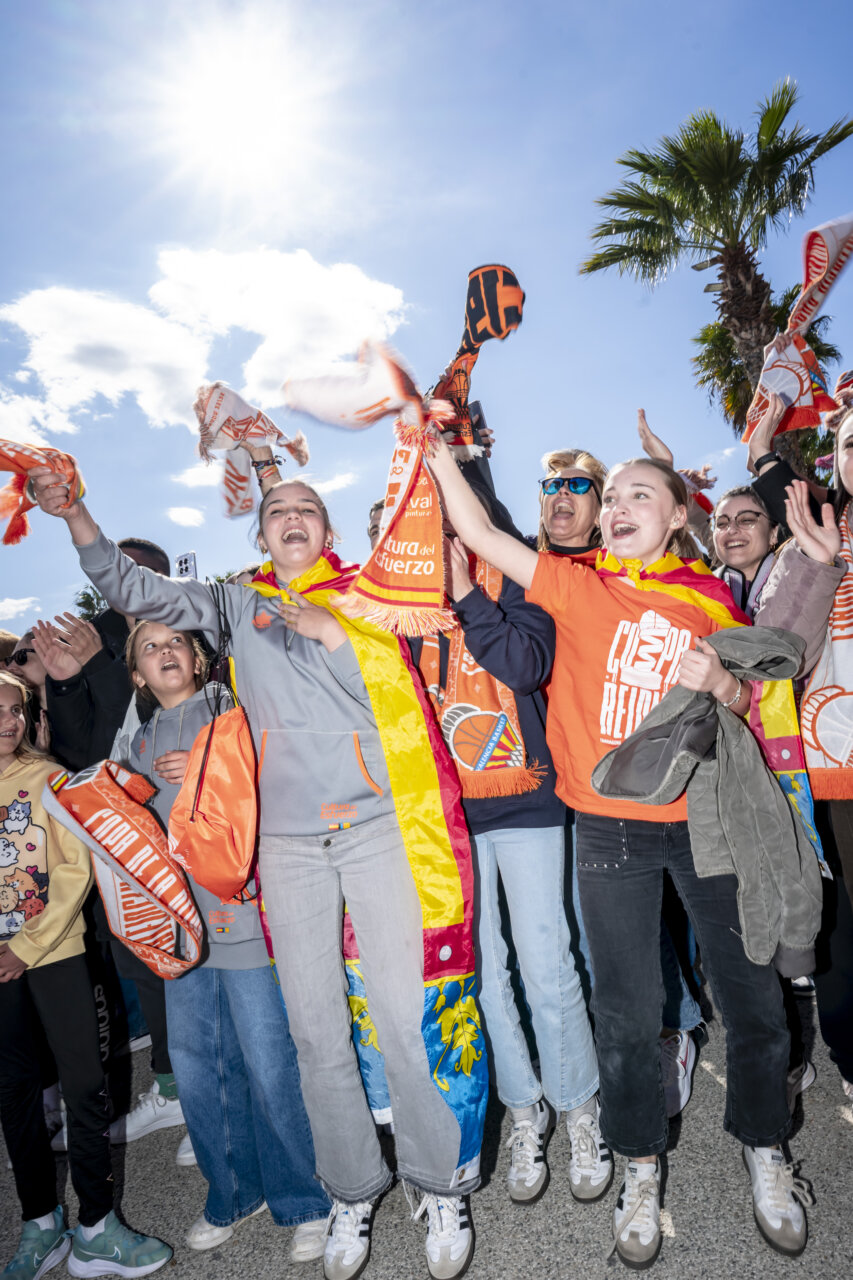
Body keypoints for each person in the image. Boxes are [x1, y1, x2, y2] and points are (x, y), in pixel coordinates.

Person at [29, 466, 488, 1280]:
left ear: (327, 528)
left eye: (306, 508)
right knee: (313, 1032)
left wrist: (333, 630)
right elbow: (135, 589)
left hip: (378, 828)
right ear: (260, 534)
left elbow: (395, 696)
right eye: (276, 511)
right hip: (285, 844)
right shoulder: (237, 604)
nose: (291, 517)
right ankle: (350, 1188)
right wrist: (78, 518)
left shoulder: (369, 594)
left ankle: (434, 1181)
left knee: (397, 1015)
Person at [428, 436, 831, 1268]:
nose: (616, 507)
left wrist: (726, 685)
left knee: (750, 995)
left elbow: (761, 682)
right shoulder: (573, 584)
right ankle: (638, 1168)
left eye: (639, 495)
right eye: (613, 496)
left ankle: (764, 1150)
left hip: (707, 819)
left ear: (677, 517)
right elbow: (480, 530)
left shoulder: (709, 594)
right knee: (623, 1012)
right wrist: (434, 458)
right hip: (608, 828)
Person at [413, 482, 607, 1207]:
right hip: (448, 812)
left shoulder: (515, 572)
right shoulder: (396, 608)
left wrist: (466, 594)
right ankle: (524, 1110)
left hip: (525, 795)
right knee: (482, 972)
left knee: (546, 957)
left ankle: (578, 1105)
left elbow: (525, 667)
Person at [121, 618, 330, 1262]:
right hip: (179, 934)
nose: (165, 653)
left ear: (199, 655)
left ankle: (305, 1197)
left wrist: (217, 770)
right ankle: (233, 1190)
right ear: (137, 678)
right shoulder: (136, 747)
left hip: (242, 921)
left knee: (271, 1062)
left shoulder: (234, 709)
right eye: (149, 649)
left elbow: (279, 781)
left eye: (175, 642)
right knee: (199, 1067)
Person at [536, 444, 706, 1118]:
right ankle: (616, 1052)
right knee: (593, 928)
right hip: (554, 767)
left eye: (581, 485)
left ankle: (676, 1027)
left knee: (645, 921)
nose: (563, 497)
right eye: (550, 485)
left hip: (636, 776)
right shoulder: (539, 567)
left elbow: (693, 597)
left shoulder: (631, 570)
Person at [0, 670, 172, 1280]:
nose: (8, 721)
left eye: (16, 709)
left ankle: (99, 1228)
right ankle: (40, 1225)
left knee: (85, 1085)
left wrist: (27, 944)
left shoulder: (48, 780)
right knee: (14, 1097)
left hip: (56, 954)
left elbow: (74, 869)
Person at [749, 402, 853, 1105]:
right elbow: (778, 658)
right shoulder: (813, 534)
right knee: (842, 931)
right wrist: (817, 565)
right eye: (850, 441)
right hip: (835, 762)